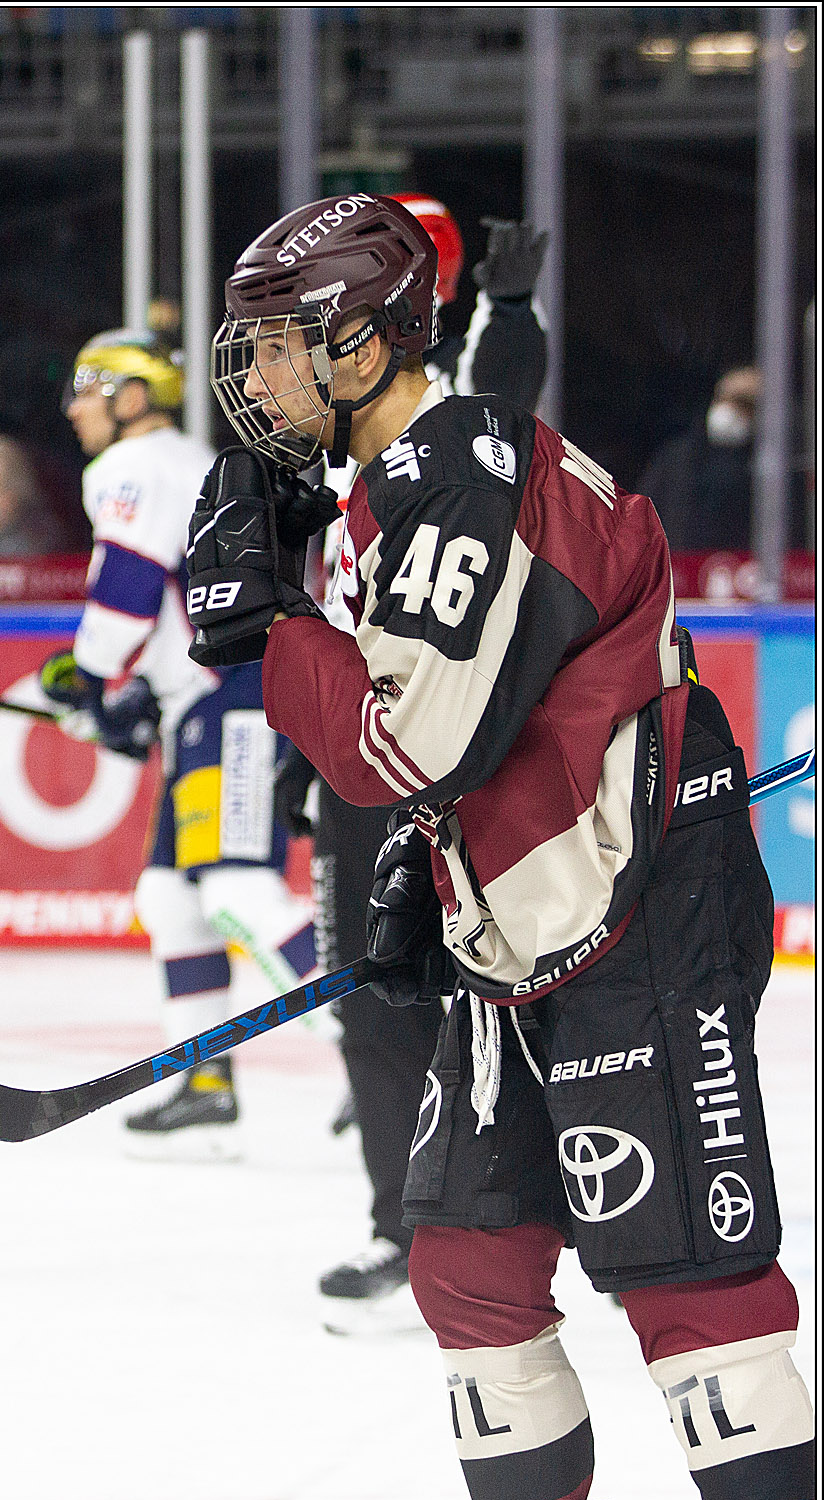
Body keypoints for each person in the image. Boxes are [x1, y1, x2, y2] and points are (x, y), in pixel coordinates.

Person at [184, 195, 815, 1500]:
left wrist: (271, 629)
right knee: (469, 1263)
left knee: (687, 1279)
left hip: (636, 903)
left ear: (363, 345)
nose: (259, 376)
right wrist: (438, 861)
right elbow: (472, 732)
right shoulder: (398, 486)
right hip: (533, 910)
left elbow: (406, 743)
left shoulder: (455, 477)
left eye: (283, 343)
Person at [273, 197, 550, 1334]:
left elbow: (498, 402)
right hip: (363, 755)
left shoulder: (439, 425)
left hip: (434, 755)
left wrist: (512, 315)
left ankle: (492, 1230)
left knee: (475, 999)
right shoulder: (328, 437)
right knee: (374, 1007)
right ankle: (409, 1230)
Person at [41, 329, 318, 1157]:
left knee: (236, 886)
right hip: (211, 697)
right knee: (171, 895)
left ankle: (381, 1048)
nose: (74, 407)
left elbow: (127, 589)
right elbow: (176, 596)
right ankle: (205, 1081)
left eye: (90, 387)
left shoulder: (132, 465)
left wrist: (92, 680)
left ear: (133, 396)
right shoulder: (184, 459)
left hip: (230, 695)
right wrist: (137, 696)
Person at [637, 366, 763, 552]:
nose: (729, 409)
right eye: (723, 399)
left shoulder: (773, 466)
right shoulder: (677, 459)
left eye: (743, 403)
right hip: (683, 563)